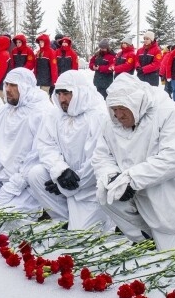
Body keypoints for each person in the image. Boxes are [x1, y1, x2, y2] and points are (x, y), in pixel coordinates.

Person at [91, 73, 175, 253]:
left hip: (172, 197)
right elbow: (101, 155)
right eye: (114, 108)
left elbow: (173, 158)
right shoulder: (112, 122)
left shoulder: (168, 114)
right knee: (106, 192)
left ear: (136, 102)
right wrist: (111, 175)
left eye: (122, 108)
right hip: (138, 193)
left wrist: (132, 179)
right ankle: (145, 239)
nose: (118, 114)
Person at [27, 70, 114, 230]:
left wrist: (65, 186)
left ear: (80, 92)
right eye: (58, 93)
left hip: (89, 190)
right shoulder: (55, 115)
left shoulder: (98, 117)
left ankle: (86, 221)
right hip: (65, 180)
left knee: (80, 240)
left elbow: (97, 161)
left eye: (66, 93)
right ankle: (64, 218)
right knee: (35, 174)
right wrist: (59, 171)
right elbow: (46, 146)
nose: (62, 99)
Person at [0, 67, 51, 210]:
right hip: (2, 170)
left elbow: (37, 155)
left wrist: (16, 183)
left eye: (13, 85)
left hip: (24, 179)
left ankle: (27, 206)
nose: (7, 89)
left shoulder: (41, 112)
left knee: (9, 220)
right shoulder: (5, 110)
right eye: (6, 84)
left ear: (25, 87)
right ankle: (1, 199)